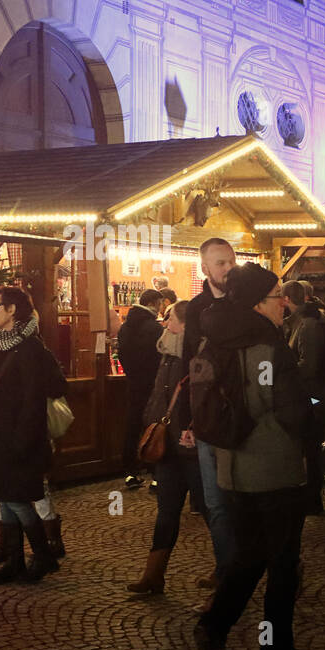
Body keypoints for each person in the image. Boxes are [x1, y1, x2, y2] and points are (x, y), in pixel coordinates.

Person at [193, 263, 312, 650]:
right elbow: (285, 409)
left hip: (231, 467)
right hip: (274, 468)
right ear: (259, 304)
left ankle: (213, 627)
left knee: (248, 556)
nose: (284, 305)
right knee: (281, 563)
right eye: (278, 297)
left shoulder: (212, 341)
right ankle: (275, 649)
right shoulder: (267, 345)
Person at [0, 286, 68, 585]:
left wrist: (22, 441)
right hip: (0, 433)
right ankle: (15, 561)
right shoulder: (1, 345)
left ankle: (42, 555)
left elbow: (32, 399)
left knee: (16, 499)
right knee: (4, 498)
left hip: (19, 436)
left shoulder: (30, 348)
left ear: (12, 310)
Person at [127, 300, 207, 594]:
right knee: (167, 511)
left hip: (193, 448)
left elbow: (203, 398)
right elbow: (158, 392)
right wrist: (151, 420)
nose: (165, 321)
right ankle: (153, 574)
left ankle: (226, 571)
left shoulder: (197, 354)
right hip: (169, 447)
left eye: (171, 317)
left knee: (213, 513)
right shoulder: (167, 351)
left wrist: (196, 428)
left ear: (184, 323)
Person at [182, 238, 238, 596]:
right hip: (207, 419)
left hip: (239, 417)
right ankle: (226, 571)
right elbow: (190, 369)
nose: (228, 269)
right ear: (205, 268)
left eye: (231, 262)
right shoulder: (197, 309)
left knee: (243, 500)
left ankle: (275, 566)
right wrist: (189, 420)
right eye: (220, 263)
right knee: (215, 503)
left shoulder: (245, 303)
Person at [281, 280, 325, 515]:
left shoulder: (307, 325)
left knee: (311, 449)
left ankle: (313, 498)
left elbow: (309, 366)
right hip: (316, 394)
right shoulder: (313, 321)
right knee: (311, 448)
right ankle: (312, 496)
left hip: (313, 397)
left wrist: (285, 370)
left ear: (287, 300)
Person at [117, 289, 166, 489]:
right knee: (154, 428)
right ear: (154, 303)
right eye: (161, 304)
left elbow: (121, 355)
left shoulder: (125, 327)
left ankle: (130, 472)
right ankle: (156, 474)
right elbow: (161, 358)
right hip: (153, 385)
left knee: (132, 426)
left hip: (133, 383)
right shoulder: (154, 329)